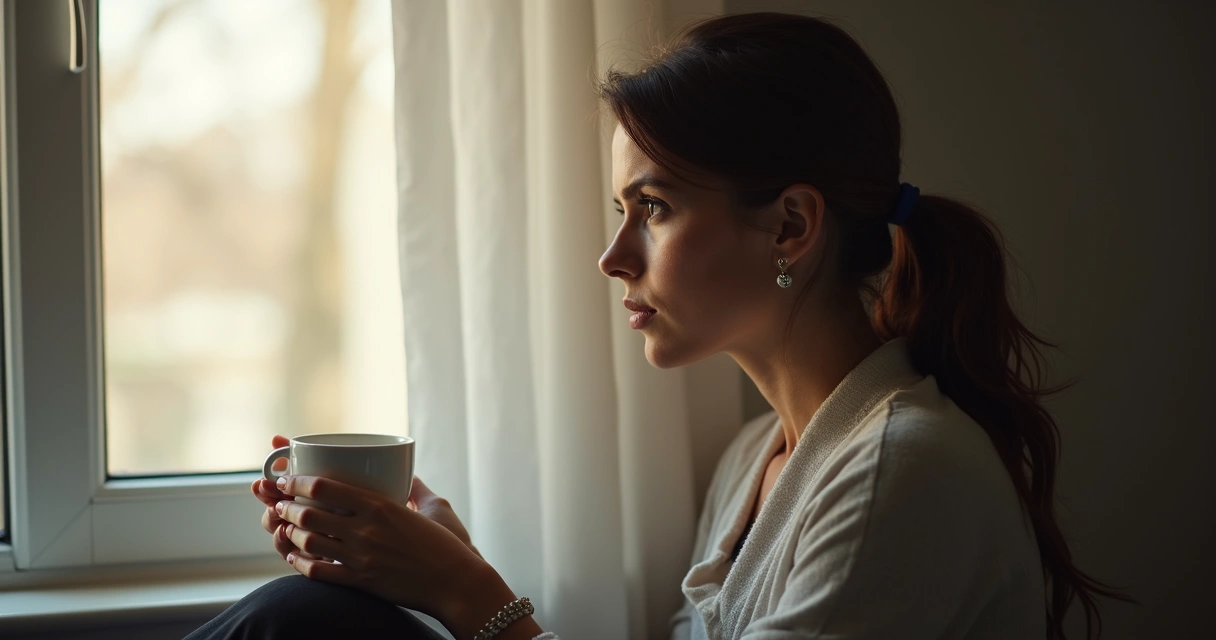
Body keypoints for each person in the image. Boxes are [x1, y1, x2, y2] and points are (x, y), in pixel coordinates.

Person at [186, 12, 1128, 640]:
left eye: (654, 208)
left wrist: (468, 597)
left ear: (792, 224)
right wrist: (456, 560)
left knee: (300, 626)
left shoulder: (897, 473)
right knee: (315, 618)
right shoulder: (758, 459)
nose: (612, 256)